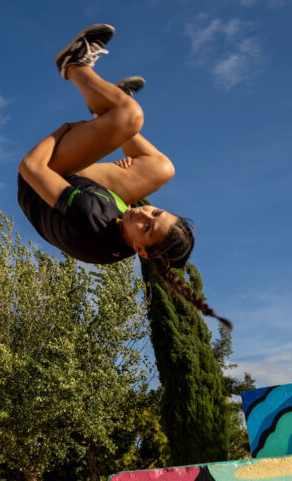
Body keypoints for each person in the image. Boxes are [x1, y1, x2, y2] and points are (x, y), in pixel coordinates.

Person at [18, 24, 232, 329]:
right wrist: (108, 178)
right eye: (155, 211)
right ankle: (105, 116)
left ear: (141, 250)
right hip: (78, 189)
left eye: (146, 227)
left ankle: (73, 64)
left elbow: (29, 167)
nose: (143, 213)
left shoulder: (90, 216)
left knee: (130, 116)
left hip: (40, 179)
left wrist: (64, 130)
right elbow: (118, 209)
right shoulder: (122, 225)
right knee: (161, 169)